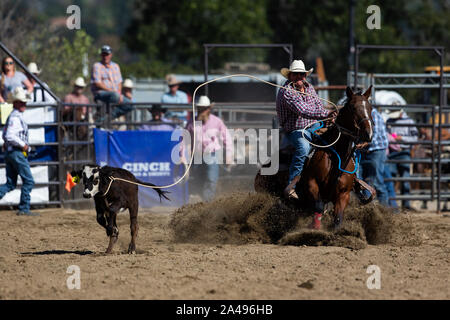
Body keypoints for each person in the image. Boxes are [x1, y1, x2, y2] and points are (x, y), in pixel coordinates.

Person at [276, 60, 335, 199]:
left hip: (313, 126)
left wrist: (329, 117)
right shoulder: (287, 92)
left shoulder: (309, 88)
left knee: (337, 136)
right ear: (289, 75)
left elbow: (318, 107)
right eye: (295, 74)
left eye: (301, 74)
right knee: (303, 147)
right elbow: (302, 110)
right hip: (295, 130)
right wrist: (326, 114)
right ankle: (292, 185)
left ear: (305, 75)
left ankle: (349, 178)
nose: (299, 77)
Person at [186, 96, 232, 201]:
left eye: (203, 108)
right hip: (197, 155)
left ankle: (207, 202)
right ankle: (202, 200)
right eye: (199, 108)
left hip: (212, 153)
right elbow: (184, 140)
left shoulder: (217, 122)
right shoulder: (191, 123)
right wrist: (183, 155)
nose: (201, 111)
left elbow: (227, 138)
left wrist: (228, 155)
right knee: (198, 179)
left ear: (208, 109)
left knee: (211, 178)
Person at [0, 87, 37, 216]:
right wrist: (23, 145)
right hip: (17, 153)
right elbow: (10, 135)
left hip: (11, 153)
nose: (24, 104)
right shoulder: (16, 117)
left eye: (24, 102)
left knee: (10, 183)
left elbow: (6, 135)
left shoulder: (13, 116)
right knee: (28, 180)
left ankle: (24, 208)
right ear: (15, 103)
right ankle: (24, 208)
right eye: (21, 102)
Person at [385, 109, 419, 210]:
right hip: (392, 152)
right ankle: (392, 203)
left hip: (404, 151)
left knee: (405, 178)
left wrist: (402, 138)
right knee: (391, 177)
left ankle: (406, 204)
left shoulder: (409, 121)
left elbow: (415, 138)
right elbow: (385, 134)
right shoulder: (389, 121)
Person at [358, 107, 389, 206]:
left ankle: (385, 210)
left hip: (376, 150)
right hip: (364, 150)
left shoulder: (374, 114)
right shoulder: (360, 114)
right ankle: (368, 209)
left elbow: (375, 133)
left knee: (377, 181)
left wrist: (366, 142)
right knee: (363, 182)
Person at [90, 45, 132, 119]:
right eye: (104, 54)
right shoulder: (97, 66)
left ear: (111, 55)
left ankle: (108, 118)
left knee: (130, 104)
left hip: (115, 95)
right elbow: (97, 83)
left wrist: (119, 94)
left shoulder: (116, 66)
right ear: (101, 55)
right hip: (101, 94)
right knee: (114, 96)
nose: (105, 56)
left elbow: (119, 82)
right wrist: (114, 92)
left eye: (107, 54)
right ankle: (104, 117)